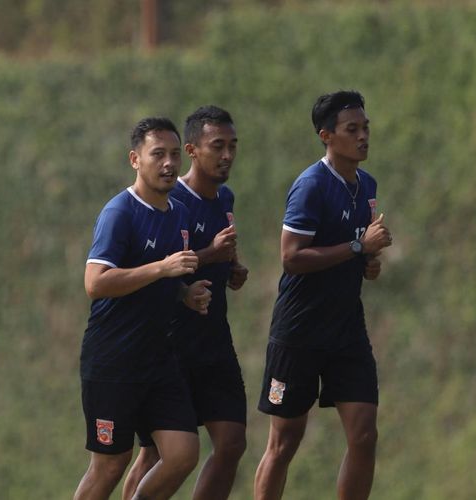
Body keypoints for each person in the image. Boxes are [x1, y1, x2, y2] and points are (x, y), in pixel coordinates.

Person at [253, 90, 393, 500]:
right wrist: (356, 248)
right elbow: (291, 257)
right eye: (352, 129)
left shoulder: (366, 184)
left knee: (364, 434)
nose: (363, 136)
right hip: (300, 330)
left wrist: (367, 263)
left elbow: (357, 249)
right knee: (284, 441)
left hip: (346, 330)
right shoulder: (310, 186)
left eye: (365, 128)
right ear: (327, 136)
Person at [74, 117, 213, 500]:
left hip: (157, 360)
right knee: (110, 465)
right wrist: (163, 268)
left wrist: (183, 292)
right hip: (112, 361)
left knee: (183, 453)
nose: (169, 164)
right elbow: (96, 283)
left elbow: (161, 281)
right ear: (135, 160)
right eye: (158, 155)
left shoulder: (179, 214)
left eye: (173, 155)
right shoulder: (119, 212)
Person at [122, 105, 248, 500]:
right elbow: (159, 266)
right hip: (173, 343)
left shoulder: (224, 197)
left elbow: (214, 256)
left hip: (214, 339)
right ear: (192, 150)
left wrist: (232, 268)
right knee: (156, 451)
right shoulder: (171, 199)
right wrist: (210, 254)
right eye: (217, 146)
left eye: (232, 146)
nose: (226, 155)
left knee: (230, 442)